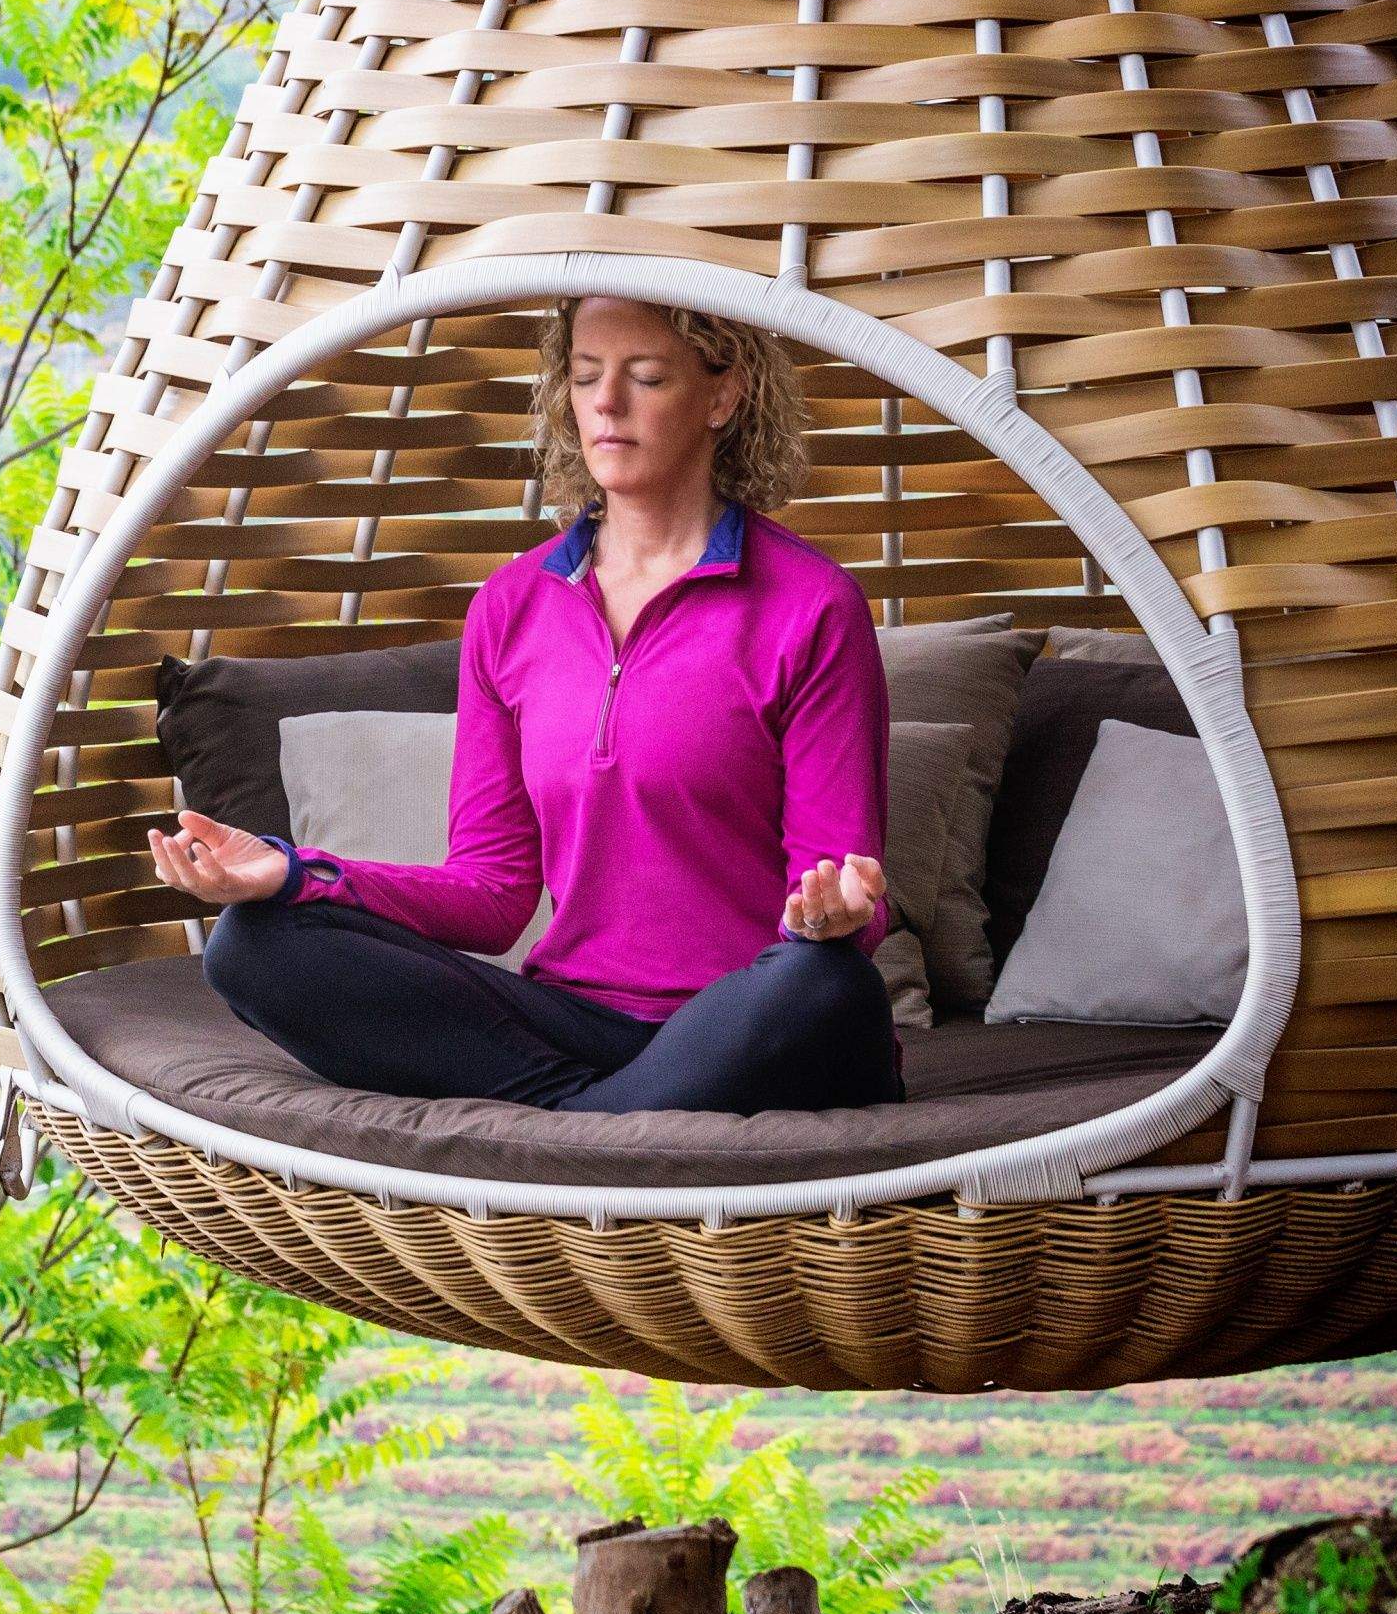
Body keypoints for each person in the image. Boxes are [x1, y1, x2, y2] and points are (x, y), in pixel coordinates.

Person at [144, 297, 902, 1117]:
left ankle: (575, 1128)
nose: (605, 402)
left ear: (723, 397)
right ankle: (613, 1118)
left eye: (644, 376)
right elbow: (492, 891)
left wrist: (838, 919)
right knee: (255, 946)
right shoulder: (511, 607)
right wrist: (295, 871)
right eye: (584, 376)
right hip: (580, 1020)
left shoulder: (811, 605)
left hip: (754, 1016)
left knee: (826, 984)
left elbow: (838, 886)